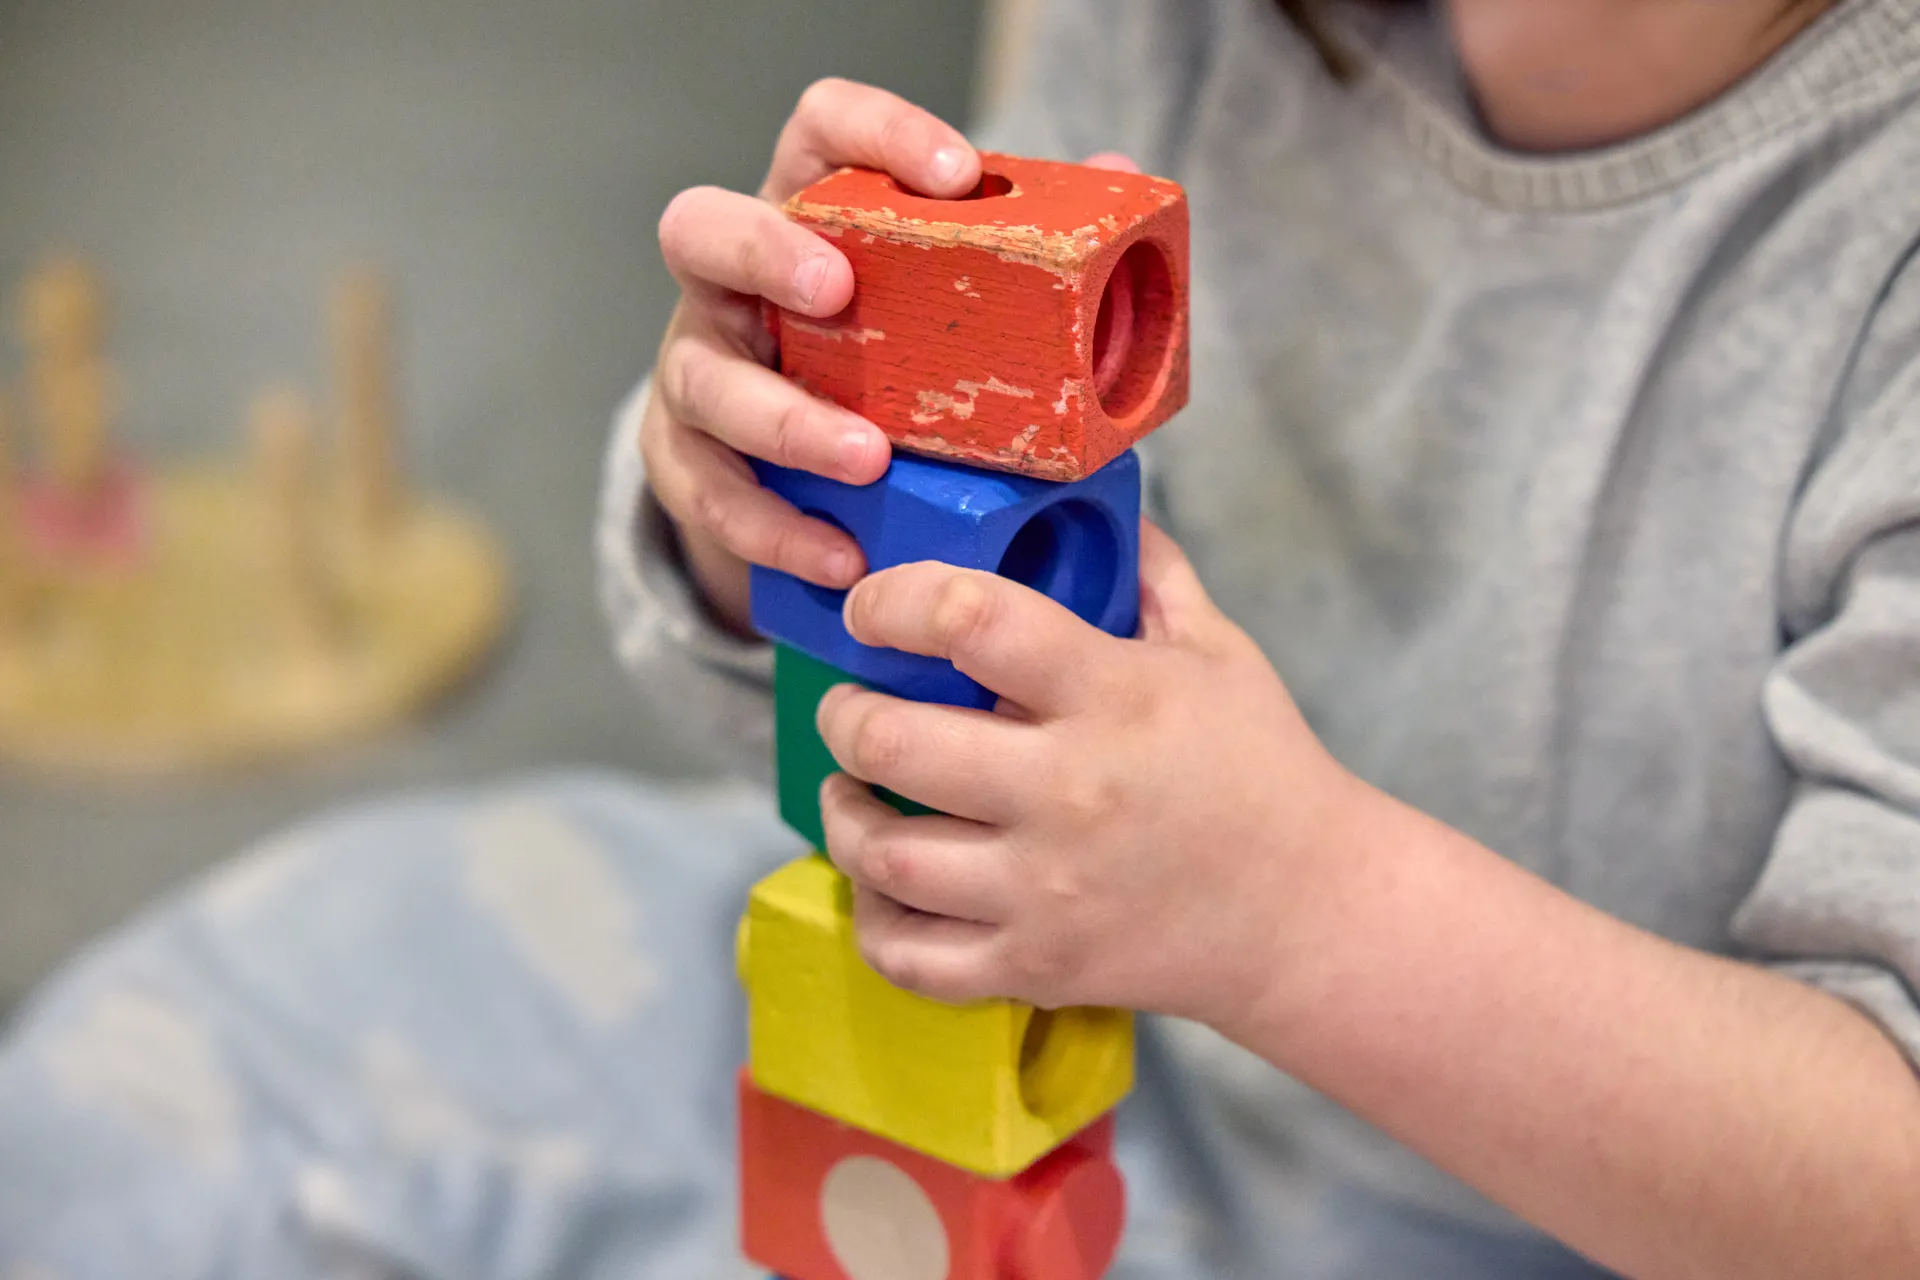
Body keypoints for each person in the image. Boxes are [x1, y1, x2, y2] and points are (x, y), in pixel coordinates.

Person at [3, 1, 1919, 1276]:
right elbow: (903, 663)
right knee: (149, 1091)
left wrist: (1297, 917)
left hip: (1549, 1222)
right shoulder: (1176, 26)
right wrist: (766, 502)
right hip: (990, 1021)